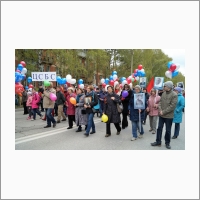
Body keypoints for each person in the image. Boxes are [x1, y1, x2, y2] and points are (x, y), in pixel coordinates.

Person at [151, 81, 178, 149]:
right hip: (161, 115)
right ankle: (158, 141)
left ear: (168, 87)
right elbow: (160, 102)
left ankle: (167, 143)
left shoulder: (174, 95)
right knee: (159, 128)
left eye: (165, 86)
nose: (164, 87)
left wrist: (164, 112)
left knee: (168, 130)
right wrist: (160, 110)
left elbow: (172, 106)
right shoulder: (163, 93)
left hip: (169, 116)